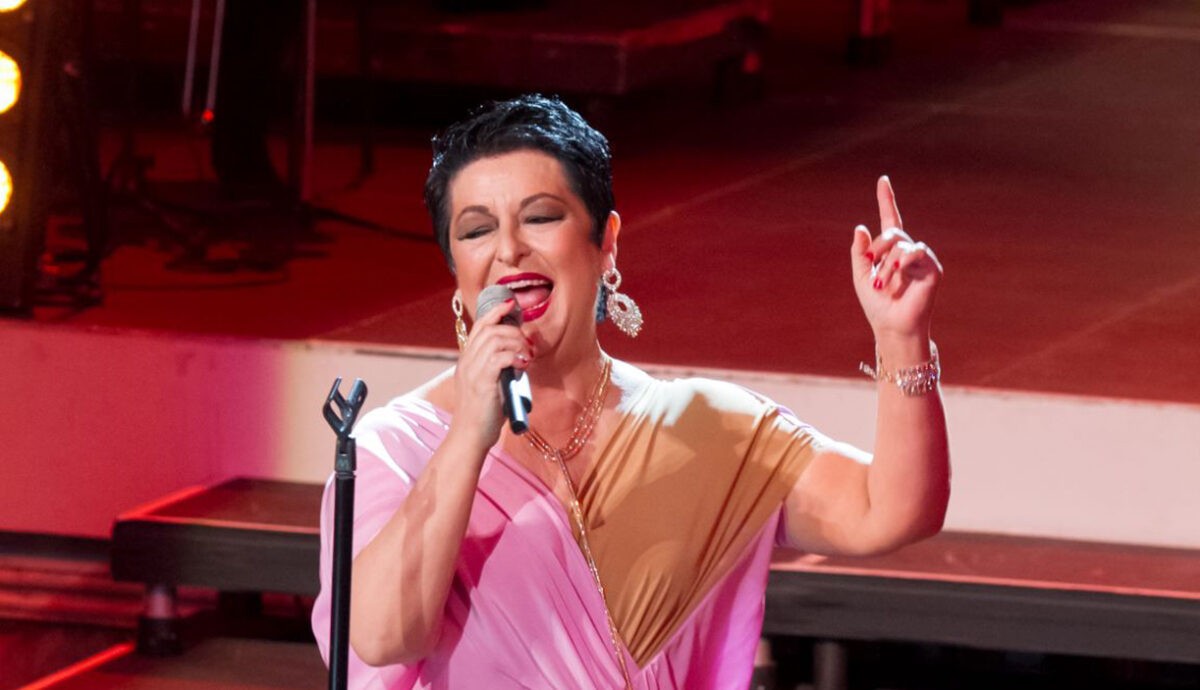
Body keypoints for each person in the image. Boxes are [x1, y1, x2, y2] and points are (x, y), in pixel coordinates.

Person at [311, 94, 950, 689]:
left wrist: (902, 338)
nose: (508, 249)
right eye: (476, 230)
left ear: (606, 245)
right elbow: (383, 637)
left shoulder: (702, 428)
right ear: (456, 273)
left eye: (540, 217)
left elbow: (892, 510)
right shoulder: (396, 449)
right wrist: (469, 440)